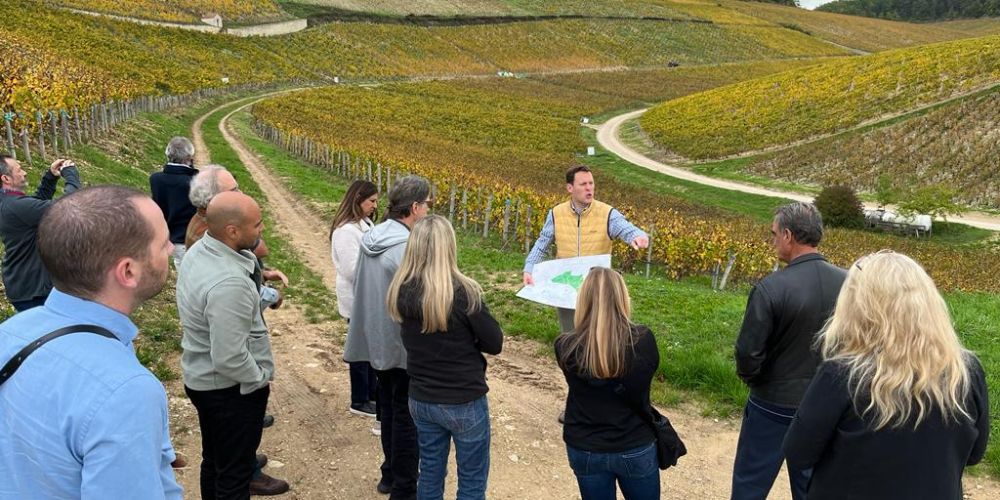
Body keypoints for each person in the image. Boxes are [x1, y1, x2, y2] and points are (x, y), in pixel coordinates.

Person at [0, 185, 181, 498]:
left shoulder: (11, 331)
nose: (171, 249)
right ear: (128, 271)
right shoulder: (126, 391)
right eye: (163, 242)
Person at [783, 252, 990, 500]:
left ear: (858, 307)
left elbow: (798, 452)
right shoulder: (965, 371)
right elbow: (974, 454)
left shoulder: (843, 375)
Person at [731, 202, 846, 500]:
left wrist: (756, 380)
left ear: (788, 235)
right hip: (826, 401)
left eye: (774, 234)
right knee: (812, 487)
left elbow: (748, 352)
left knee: (750, 482)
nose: (773, 241)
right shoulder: (850, 284)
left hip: (773, 402)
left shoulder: (771, 288)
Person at [177, 191, 288, 498]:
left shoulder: (200, 251)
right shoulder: (229, 283)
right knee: (235, 476)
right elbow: (229, 357)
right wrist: (259, 379)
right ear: (232, 231)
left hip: (203, 379)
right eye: (257, 224)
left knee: (215, 460)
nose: (262, 229)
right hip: (229, 391)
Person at [388, 215, 504, 500]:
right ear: (449, 246)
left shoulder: (401, 291)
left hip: (421, 397)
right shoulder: (464, 293)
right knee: (472, 481)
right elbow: (494, 343)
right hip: (464, 398)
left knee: (430, 472)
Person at [344, 175, 432, 499]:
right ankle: (404, 487)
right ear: (414, 207)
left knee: (389, 408)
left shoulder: (373, 236)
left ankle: (389, 474)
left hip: (377, 337)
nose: (428, 211)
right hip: (403, 342)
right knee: (406, 415)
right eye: (426, 204)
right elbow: (419, 298)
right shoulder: (407, 247)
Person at [555, 267, 660, 500]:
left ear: (582, 299)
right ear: (623, 298)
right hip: (634, 442)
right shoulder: (643, 341)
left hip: (585, 445)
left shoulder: (565, 345)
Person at [523, 164, 648, 335]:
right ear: (570, 188)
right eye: (583, 184)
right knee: (570, 335)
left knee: (600, 335)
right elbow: (542, 243)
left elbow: (626, 228)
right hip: (566, 286)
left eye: (591, 183)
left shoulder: (607, 213)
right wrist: (529, 268)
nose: (589, 188)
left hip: (599, 287)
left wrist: (637, 236)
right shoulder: (556, 213)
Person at [0, 154, 81, 311]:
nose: (24, 173)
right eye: (19, 170)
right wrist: (71, 176)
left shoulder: (8, 202)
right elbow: (68, 207)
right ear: (6, 178)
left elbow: (34, 209)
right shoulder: (15, 206)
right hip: (34, 293)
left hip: (24, 285)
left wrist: (50, 177)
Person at [330, 180, 380, 423]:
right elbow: (352, 269)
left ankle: (371, 393)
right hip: (356, 297)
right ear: (358, 200)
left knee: (370, 349)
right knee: (360, 350)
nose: (375, 205)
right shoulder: (345, 231)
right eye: (371, 201)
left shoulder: (365, 224)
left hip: (368, 296)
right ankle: (359, 399)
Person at [151, 136, 198, 267]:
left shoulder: (156, 179)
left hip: (172, 238)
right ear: (189, 158)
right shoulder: (193, 182)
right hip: (191, 238)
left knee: (181, 267)